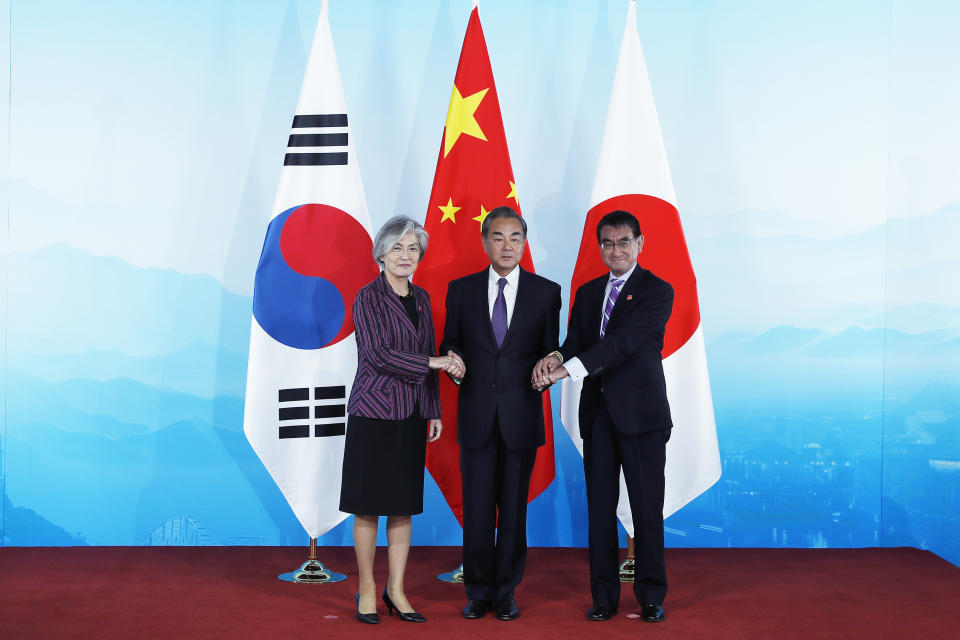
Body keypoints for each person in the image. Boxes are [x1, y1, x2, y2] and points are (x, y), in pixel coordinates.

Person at [533, 210, 674, 624]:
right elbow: (575, 341)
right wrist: (555, 357)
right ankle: (604, 598)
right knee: (598, 510)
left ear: (640, 243)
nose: (616, 250)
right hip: (597, 416)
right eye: (608, 243)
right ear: (600, 247)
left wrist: (567, 370)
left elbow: (625, 343)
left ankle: (650, 595)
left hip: (642, 417)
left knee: (647, 509)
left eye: (624, 242)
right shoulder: (589, 291)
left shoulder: (657, 291)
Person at [340, 215, 465, 625]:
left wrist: (433, 409)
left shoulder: (424, 298)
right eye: (398, 247)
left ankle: (396, 588)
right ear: (381, 253)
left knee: (401, 507)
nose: (406, 255)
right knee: (367, 507)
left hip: (412, 414)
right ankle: (367, 588)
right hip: (373, 412)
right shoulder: (367, 297)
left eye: (413, 249)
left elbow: (426, 351)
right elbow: (379, 355)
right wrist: (438, 363)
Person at [440, 206, 561, 621]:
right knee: (476, 512)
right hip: (475, 416)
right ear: (485, 242)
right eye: (498, 237)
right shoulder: (461, 290)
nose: (507, 246)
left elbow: (551, 346)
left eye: (515, 238)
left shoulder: (546, 292)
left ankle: (506, 591)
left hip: (520, 418)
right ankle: (477, 591)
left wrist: (552, 361)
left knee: (513, 513)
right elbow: (450, 343)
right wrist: (453, 361)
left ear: (524, 243)